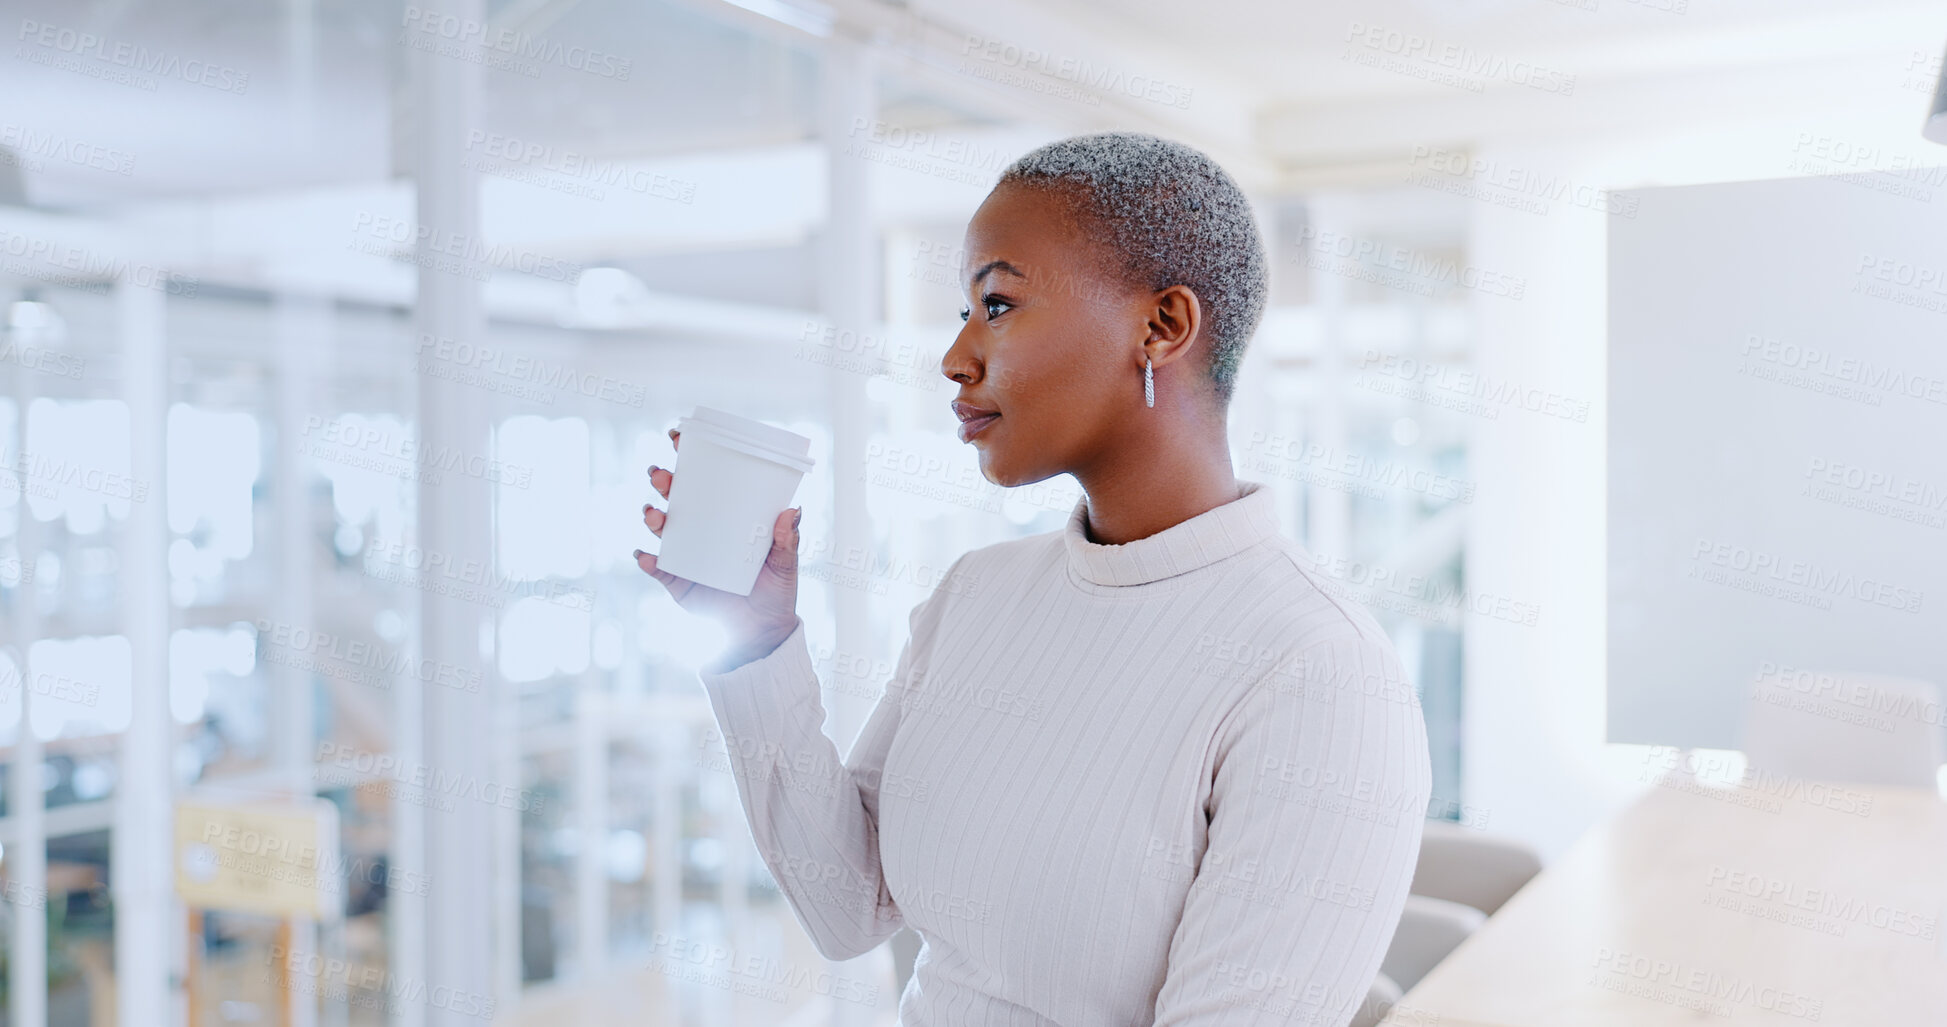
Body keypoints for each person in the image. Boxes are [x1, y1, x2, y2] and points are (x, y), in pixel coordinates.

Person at [635, 131, 1431, 1026]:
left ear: (1161, 326)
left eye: (999, 303)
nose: (955, 356)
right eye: (964, 311)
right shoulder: (976, 595)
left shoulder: (1317, 670)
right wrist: (756, 641)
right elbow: (846, 903)